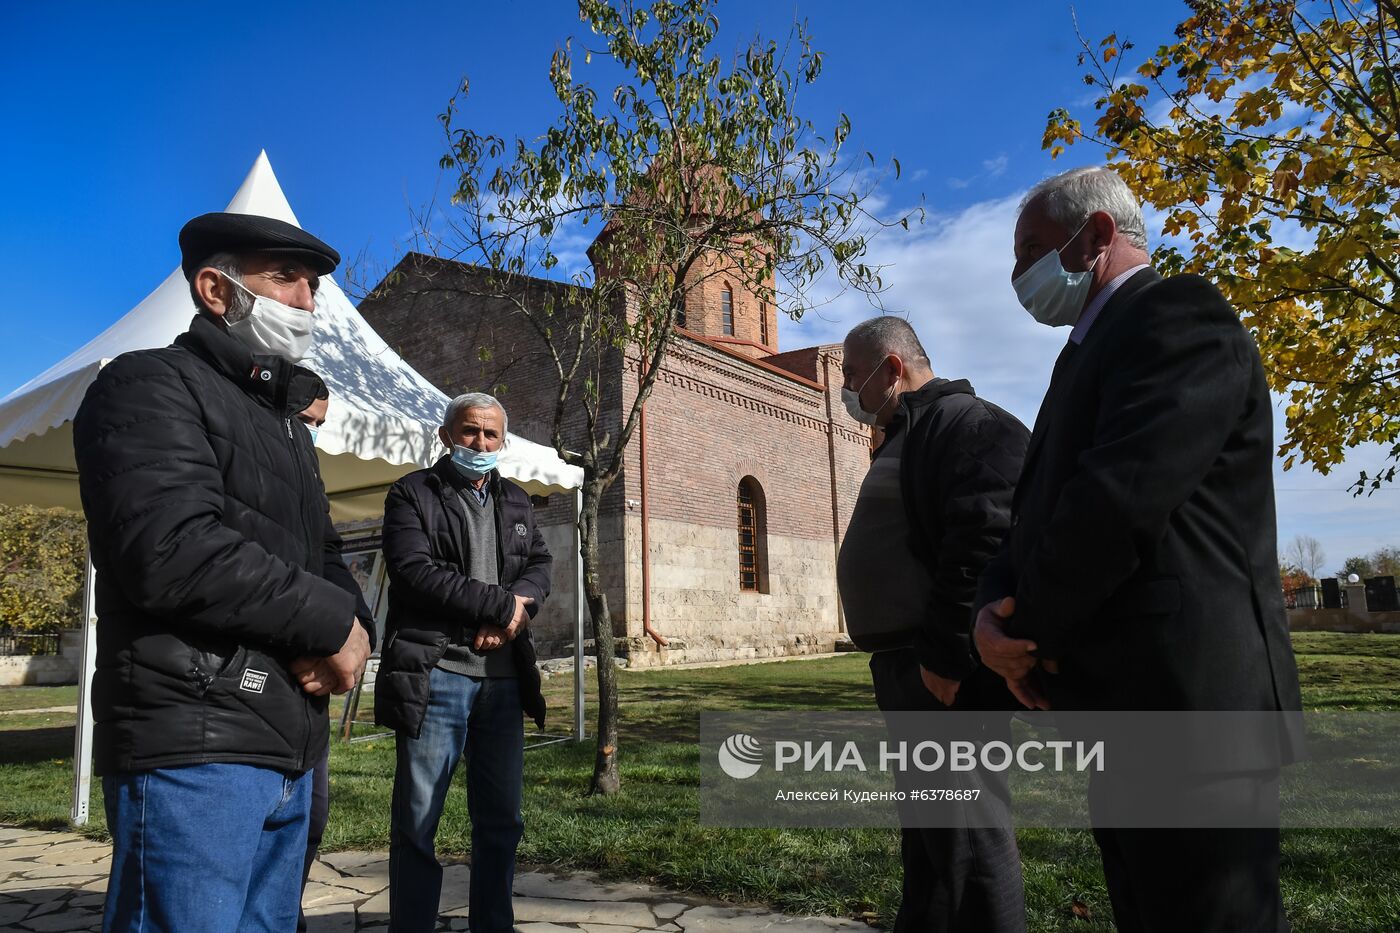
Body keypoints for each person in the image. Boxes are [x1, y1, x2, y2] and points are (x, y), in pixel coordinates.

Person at [973, 165, 1303, 932]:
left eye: (1030, 251)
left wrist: (1023, 636)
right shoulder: (1082, 354)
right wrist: (987, 612)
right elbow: (1034, 513)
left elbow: (1115, 501)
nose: (1018, 276)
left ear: (1097, 235)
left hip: (1193, 716)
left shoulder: (1178, 316)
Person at [73, 212, 375, 932]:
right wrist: (331, 625)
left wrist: (356, 626)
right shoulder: (146, 384)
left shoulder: (286, 425)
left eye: (314, 286)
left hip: (290, 741)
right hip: (195, 742)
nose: (307, 300)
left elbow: (325, 552)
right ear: (216, 289)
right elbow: (171, 548)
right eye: (286, 278)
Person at [836, 316, 1030, 932]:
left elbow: (984, 545)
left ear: (892, 369)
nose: (847, 391)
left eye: (852, 376)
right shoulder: (910, 433)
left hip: (945, 678)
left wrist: (946, 658)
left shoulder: (968, 425)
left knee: (968, 845)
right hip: (911, 671)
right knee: (933, 848)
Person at [377, 392, 552, 933]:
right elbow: (414, 572)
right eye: (470, 431)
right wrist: (501, 606)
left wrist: (514, 614)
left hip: (503, 682)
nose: (480, 442)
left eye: (490, 434)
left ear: (503, 441)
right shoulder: (413, 493)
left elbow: (540, 565)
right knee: (417, 819)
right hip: (438, 675)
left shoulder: (517, 499)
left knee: (502, 819)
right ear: (446, 435)